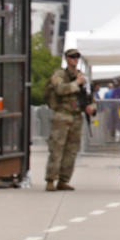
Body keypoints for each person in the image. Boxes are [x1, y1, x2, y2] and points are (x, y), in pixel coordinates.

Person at [44, 48, 96, 191]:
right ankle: (50, 180)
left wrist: (91, 106)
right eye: (72, 57)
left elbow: (89, 95)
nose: (75, 60)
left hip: (76, 116)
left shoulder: (81, 76)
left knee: (72, 150)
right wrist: (76, 83)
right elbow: (60, 89)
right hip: (62, 114)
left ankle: (63, 179)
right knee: (57, 148)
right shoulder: (60, 74)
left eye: (77, 57)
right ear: (66, 58)